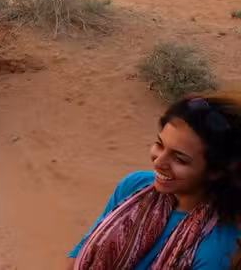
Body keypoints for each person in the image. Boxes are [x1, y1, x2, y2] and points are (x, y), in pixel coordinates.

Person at [68, 94, 241, 269]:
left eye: (180, 159)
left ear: (215, 171)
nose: (159, 162)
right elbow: (84, 247)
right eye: (160, 145)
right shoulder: (134, 185)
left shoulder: (215, 250)